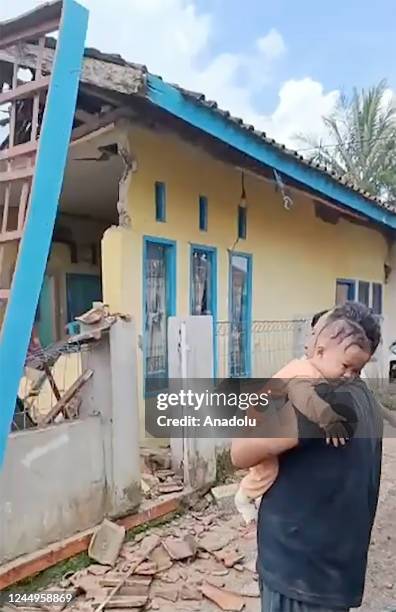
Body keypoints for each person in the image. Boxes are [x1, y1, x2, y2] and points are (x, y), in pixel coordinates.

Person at [231, 302, 383, 612]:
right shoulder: (365, 396)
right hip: (335, 570)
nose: (308, 344)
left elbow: (239, 453)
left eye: (316, 334)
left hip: (299, 573)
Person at [234, 314, 368, 526]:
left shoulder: (317, 371)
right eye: (345, 366)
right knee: (267, 470)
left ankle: (256, 497)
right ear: (321, 352)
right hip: (259, 418)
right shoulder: (305, 374)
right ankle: (243, 498)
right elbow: (302, 397)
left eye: (356, 371)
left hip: (266, 416)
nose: (349, 375)